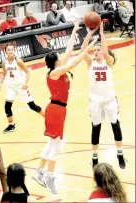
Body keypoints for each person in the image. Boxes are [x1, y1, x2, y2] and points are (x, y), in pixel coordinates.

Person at [32, 21, 98, 194]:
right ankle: (49, 177)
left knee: (51, 143)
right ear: (55, 62)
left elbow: (69, 52)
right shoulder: (54, 73)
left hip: (58, 109)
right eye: (59, 57)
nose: (63, 57)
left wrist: (74, 31)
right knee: (57, 145)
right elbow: (73, 63)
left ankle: (39, 172)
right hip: (55, 109)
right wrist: (88, 48)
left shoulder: (58, 68)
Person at [81, 22, 126, 169]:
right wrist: (89, 33)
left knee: (115, 125)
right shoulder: (90, 63)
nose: (96, 52)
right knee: (96, 127)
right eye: (95, 50)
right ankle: (94, 158)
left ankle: (120, 154)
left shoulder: (109, 63)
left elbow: (106, 52)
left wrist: (101, 32)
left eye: (98, 50)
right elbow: (83, 50)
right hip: (95, 100)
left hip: (109, 99)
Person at [0, 45, 44, 133]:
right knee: (7, 106)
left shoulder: (18, 61)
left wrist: (26, 83)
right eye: (8, 50)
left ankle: (48, 118)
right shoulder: (4, 62)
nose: (10, 51)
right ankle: (11, 125)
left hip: (21, 86)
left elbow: (27, 72)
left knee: (32, 106)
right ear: (5, 52)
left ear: (14, 51)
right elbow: (3, 73)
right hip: (11, 86)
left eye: (12, 49)